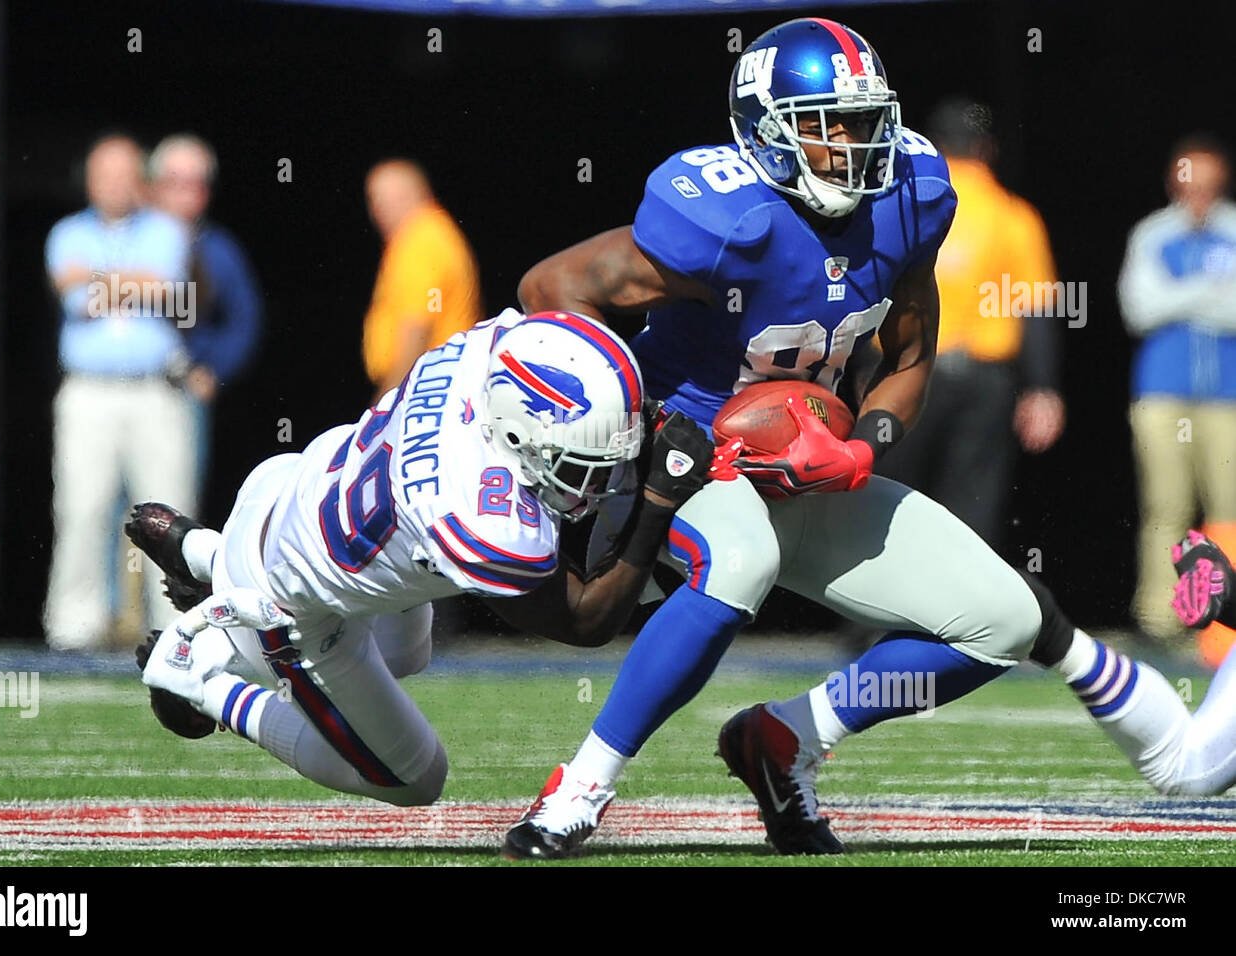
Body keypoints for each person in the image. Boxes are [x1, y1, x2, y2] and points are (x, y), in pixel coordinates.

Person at [502, 17, 1236, 860]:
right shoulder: (727, 217)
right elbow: (547, 289)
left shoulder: (909, 199)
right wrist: (643, 433)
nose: (857, 143)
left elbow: (910, 358)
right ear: (768, 130)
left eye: (865, 118)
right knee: (740, 562)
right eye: (829, 123)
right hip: (691, 458)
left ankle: (786, 739)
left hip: (801, 470)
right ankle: (583, 785)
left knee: (1005, 619)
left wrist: (862, 441)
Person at [127, 309, 721, 804]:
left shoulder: (487, 348)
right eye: (576, 465)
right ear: (516, 437)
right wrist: (656, 501)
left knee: (408, 654)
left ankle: (204, 553)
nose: (596, 480)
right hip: (284, 603)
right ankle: (201, 677)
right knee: (415, 778)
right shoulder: (483, 521)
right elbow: (587, 620)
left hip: (291, 485)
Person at [876, 98, 1064, 552]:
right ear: (987, 149)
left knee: (890, 495)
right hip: (985, 380)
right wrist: (1042, 389)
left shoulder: (902, 209)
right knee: (973, 498)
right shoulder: (1014, 216)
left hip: (907, 372)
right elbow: (1035, 308)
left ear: (934, 147)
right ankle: (961, 617)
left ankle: (872, 618)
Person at [43, 133, 195, 651]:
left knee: (169, 513)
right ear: (88, 181)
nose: (114, 185)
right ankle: (73, 629)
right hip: (89, 392)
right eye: (104, 175)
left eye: (125, 174)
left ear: (141, 181)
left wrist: (101, 278)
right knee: (82, 508)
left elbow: (167, 285)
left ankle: (180, 626)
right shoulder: (66, 232)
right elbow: (72, 293)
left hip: (154, 391)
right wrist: (131, 281)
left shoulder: (168, 230)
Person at [1119, 135, 1236, 654]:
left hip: (1226, 395)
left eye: (1209, 185)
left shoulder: (1233, 231)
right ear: (1175, 182)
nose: (1199, 195)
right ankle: (1159, 621)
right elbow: (1140, 309)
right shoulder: (1152, 232)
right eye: (1191, 183)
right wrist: (1207, 293)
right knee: (1165, 506)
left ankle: (1222, 622)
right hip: (1162, 392)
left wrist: (1178, 296)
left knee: (1228, 509)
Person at [149, 133, 264, 493]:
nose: (187, 193)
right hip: (117, 385)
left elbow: (245, 319)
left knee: (168, 506)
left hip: (178, 391)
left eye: (197, 183)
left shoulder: (217, 249)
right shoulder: (127, 241)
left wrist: (214, 369)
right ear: (152, 186)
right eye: (175, 183)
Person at [362, 160, 482, 404]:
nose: (380, 208)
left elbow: (417, 325)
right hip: (437, 383)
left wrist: (385, 405)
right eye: (375, 199)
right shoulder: (429, 235)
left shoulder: (421, 242)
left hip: (426, 389)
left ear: (420, 193)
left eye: (395, 197)